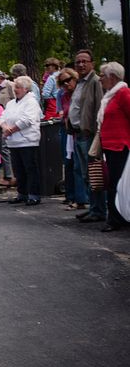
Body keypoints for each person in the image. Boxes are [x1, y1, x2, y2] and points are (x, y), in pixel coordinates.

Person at [70, 50, 107, 224]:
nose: (81, 65)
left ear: (92, 63)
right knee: (85, 173)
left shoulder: (95, 82)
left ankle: (99, 209)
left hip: (89, 134)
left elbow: (99, 107)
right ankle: (93, 207)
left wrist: (96, 133)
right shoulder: (80, 82)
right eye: (78, 62)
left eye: (85, 61)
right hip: (78, 133)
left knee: (94, 173)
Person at [97, 62, 130, 232]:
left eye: (103, 75)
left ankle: (115, 218)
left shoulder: (123, 93)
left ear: (113, 77)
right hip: (110, 145)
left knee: (116, 183)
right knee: (114, 182)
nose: (100, 79)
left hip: (120, 146)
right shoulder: (111, 95)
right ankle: (117, 216)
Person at [1, 76, 43, 206]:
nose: (15, 90)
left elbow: (27, 120)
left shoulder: (31, 102)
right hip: (14, 141)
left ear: (25, 89)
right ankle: (22, 193)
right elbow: (3, 117)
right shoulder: (11, 103)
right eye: (15, 87)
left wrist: (11, 130)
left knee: (30, 168)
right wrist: (4, 126)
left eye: (18, 87)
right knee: (18, 169)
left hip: (27, 140)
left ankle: (34, 194)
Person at [56, 68, 88, 211]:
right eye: (63, 82)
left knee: (78, 166)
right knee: (68, 164)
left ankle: (81, 198)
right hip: (67, 131)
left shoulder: (81, 93)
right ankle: (71, 196)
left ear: (75, 78)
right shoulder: (63, 95)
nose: (66, 84)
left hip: (80, 132)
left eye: (69, 80)